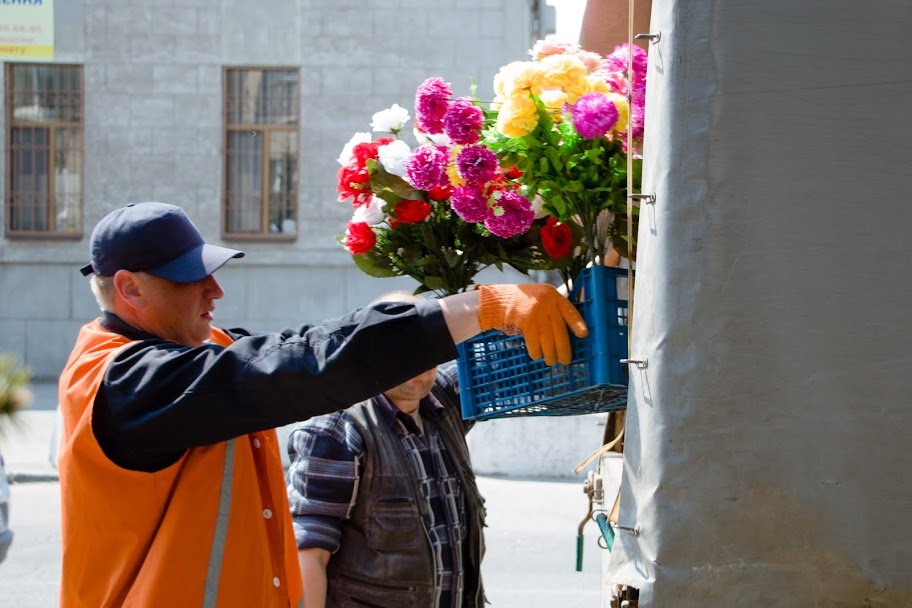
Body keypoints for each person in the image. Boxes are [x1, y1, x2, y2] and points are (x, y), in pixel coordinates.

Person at [58, 201, 587, 607]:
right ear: (129, 288)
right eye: (191, 278)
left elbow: (310, 347)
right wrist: (476, 307)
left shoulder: (200, 353)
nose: (214, 290)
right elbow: (296, 369)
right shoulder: (124, 381)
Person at [287, 292, 484, 608]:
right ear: (372, 352)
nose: (417, 363)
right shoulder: (339, 430)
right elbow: (309, 552)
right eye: (401, 351)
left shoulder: (445, 402)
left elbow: (510, 347)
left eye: (426, 348)